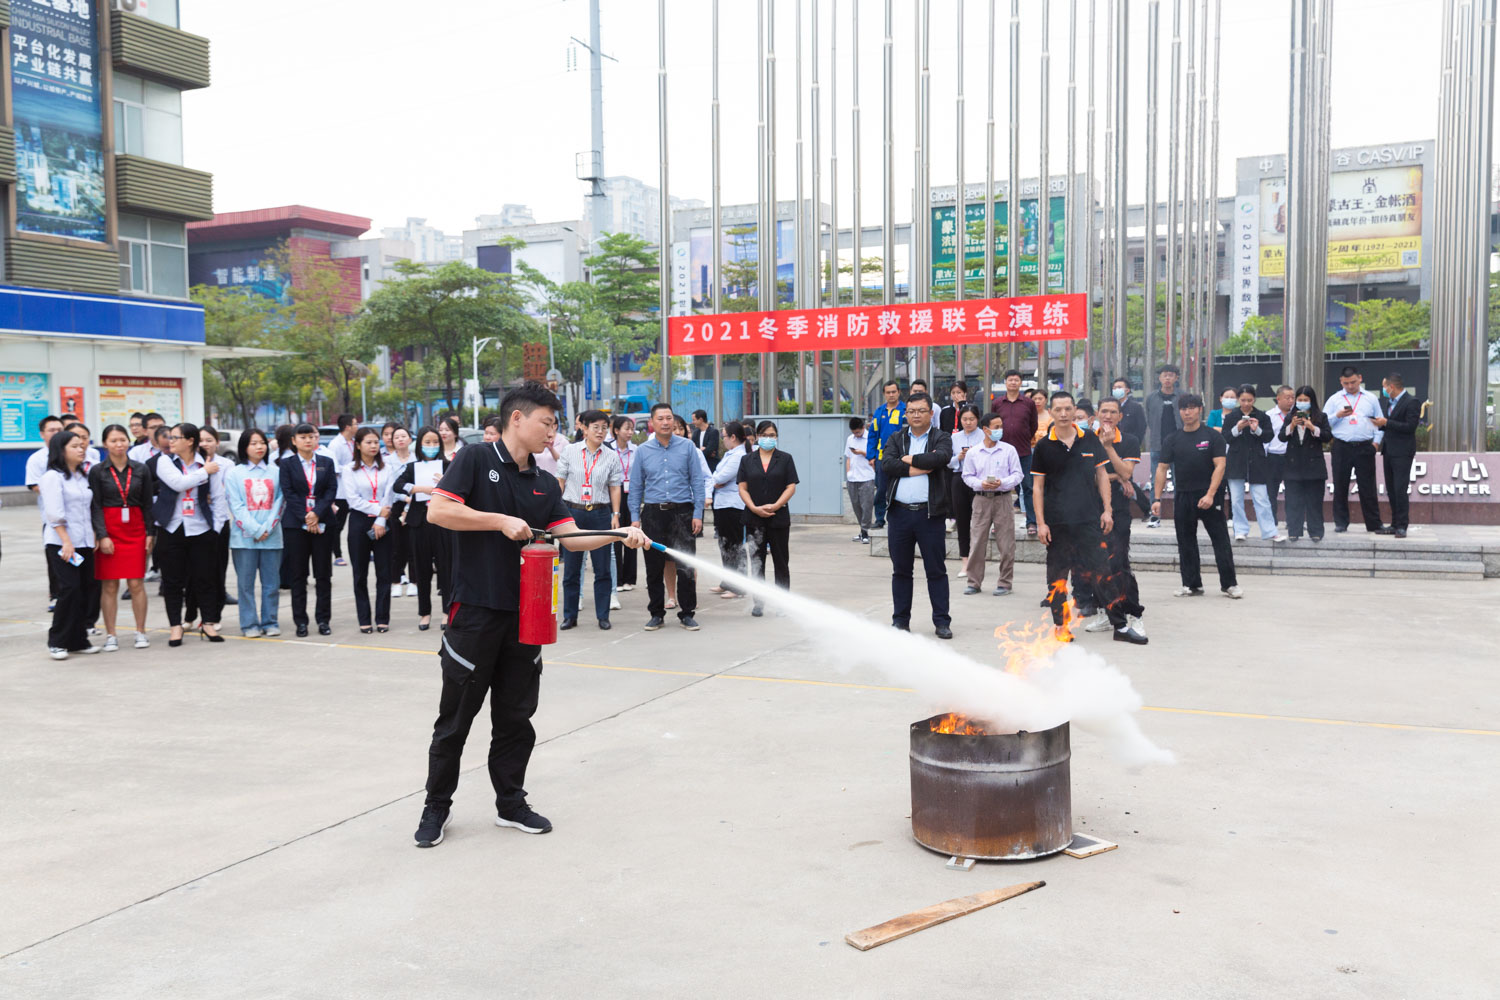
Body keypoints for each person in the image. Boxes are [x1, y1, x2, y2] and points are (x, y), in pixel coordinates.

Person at [414, 382, 652, 848]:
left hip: (526, 617)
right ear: (517, 419)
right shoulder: (476, 460)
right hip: (476, 613)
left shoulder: (543, 482)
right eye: (546, 422)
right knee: (455, 720)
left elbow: (570, 535)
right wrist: (497, 520)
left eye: (556, 424)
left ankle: (511, 803)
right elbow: (439, 511)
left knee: (516, 717)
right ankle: (436, 808)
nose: (552, 432)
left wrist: (618, 532)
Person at [1031, 393, 1147, 644]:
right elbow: (1037, 487)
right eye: (1058, 409)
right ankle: (1061, 627)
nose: (1063, 414)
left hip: (1088, 520)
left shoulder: (1089, 440)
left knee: (1103, 571)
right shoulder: (1043, 446)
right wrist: (1040, 523)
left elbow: (1102, 476)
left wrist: (1107, 509)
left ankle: (1120, 626)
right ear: (1050, 412)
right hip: (1057, 523)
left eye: (1068, 409)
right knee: (1057, 578)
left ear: (1075, 411)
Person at [1150, 396, 1242, 599]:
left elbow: (1220, 466)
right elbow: (1161, 469)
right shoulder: (1172, 439)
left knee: (1220, 540)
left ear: (1200, 410)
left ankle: (1229, 584)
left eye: (1192, 408)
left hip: (1210, 495)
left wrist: (1210, 494)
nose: (1187, 412)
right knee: (1185, 541)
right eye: (1183, 409)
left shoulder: (1213, 436)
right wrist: (1157, 498)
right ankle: (1191, 584)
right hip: (1183, 496)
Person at [881, 393, 954, 639]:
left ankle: (942, 622)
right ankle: (900, 621)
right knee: (901, 571)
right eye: (911, 410)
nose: (916, 415)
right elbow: (888, 464)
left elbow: (941, 457)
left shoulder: (941, 437)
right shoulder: (896, 437)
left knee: (936, 570)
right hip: (900, 514)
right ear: (906, 413)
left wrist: (909, 460)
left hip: (930, 515)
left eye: (921, 410)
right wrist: (922, 466)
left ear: (930, 413)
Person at [628, 403, 704, 631]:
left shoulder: (688, 447)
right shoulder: (643, 451)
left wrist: (698, 513)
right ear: (652, 422)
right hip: (652, 514)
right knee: (653, 567)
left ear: (674, 421)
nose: (665, 422)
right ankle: (656, 613)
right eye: (660, 418)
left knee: (686, 566)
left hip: (682, 513)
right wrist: (634, 518)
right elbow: (635, 487)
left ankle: (687, 613)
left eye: (669, 418)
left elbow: (697, 482)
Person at [153, 422, 227, 644]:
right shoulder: (165, 461)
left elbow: (218, 497)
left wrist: (217, 527)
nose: (170, 441)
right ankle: (176, 626)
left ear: (190, 441)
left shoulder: (206, 463)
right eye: (170, 437)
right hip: (172, 527)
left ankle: (209, 624)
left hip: (201, 527)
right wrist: (204, 471)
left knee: (205, 578)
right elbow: (178, 484)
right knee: (173, 580)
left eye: (175, 437)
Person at [1085, 398, 1148, 639]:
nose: (1108, 416)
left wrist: (1109, 448)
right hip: (1091, 509)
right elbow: (1086, 477)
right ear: (1096, 415)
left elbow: (1127, 472)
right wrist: (1115, 477)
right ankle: (1104, 610)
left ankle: (1134, 615)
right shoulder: (1086, 439)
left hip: (1119, 511)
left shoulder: (1129, 441)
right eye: (1104, 411)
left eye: (1113, 412)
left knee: (1119, 563)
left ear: (1120, 416)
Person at [556, 409, 624, 631]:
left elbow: (615, 487)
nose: (601, 432)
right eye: (595, 427)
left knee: (602, 567)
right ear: (583, 428)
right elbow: (561, 483)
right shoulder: (570, 451)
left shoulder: (611, 455)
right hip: (573, 513)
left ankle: (603, 616)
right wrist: (557, 514)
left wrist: (615, 514)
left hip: (600, 513)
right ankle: (570, 616)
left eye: (604, 428)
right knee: (572, 569)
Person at [89, 424, 154, 651]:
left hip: (136, 529)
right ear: (105, 444)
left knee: (136, 583)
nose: (119, 444)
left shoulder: (141, 469)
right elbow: (95, 505)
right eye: (114, 440)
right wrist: (102, 535)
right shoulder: (98, 471)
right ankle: (111, 634)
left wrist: (150, 533)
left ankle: (140, 631)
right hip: (110, 529)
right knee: (109, 586)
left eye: (122, 440)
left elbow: (148, 503)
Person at [41, 430, 102, 659]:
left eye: (82, 444)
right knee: (69, 590)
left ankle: (78, 640)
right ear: (61, 450)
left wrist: (94, 535)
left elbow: (89, 508)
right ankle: (57, 641)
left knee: (86, 591)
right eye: (75, 446)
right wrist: (66, 542)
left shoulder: (83, 475)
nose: (81, 449)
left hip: (85, 541)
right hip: (62, 543)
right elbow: (54, 514)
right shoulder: (52, 477)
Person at [279, 422, 338, 637]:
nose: (307, 440)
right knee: (298, 575)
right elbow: (289, 493)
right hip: (296, 525)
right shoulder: (286, 465)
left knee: (323, 575)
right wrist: (306, 516)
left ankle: (323, 620)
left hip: (323, 523)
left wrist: (317, 514)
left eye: (311, 436)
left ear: (316, 439)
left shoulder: (326, 462)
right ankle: (300, 622)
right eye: (302, 437)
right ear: (294, 441)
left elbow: (331, 490)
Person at [389, 426, 449, 630]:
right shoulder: (413, 467)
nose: (431, 446)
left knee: (446, 568)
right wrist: (418, 489)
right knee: (421, 568)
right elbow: (397, 485)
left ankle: (446, 612)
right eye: (427, 442)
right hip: (419, 521)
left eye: (435, 442)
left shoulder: (449, 465)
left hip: (443, 522)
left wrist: (446, 484)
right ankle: (424, 613)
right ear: (419, 444)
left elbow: (463, 488)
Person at [738, 420, 799, 618]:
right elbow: (742, 487)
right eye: (764, 435)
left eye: (772, 435)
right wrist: (754, 508)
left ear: (777, 437)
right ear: (756, 437)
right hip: (754, 518)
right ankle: (759, 602)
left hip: (778, 517)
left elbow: (791, 486)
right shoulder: (747, 460)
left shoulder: (785, 459)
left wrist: (777, 505)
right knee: (757, 561)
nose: (768, 439)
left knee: (781, 562)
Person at [225, 429, 283, 637]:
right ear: (244, 447)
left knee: (271, 584)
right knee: (245, 585)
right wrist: (256, 530)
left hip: (272, 537)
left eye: (262, 443)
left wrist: (266, 528)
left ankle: (270, 621)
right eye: (253, 443)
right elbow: (236, 505)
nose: (259, 447)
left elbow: (279, 503)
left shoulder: (275, 472)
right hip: (244, 539)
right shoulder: (234, 474)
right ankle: (249, 624)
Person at [960, 411, 1023, 597]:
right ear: (985, 429)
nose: (1000, 430)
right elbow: (967, 476)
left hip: (1003, 498)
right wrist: (981, 484)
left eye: (1001, 427)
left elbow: (1018, 475)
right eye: (996, 427)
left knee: (1006, 543)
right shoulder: (973, 452)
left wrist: (1002, 483)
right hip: (980, 499)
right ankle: (974, 582)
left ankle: (1005, 583)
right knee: (977, 542)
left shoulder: (1009, 450)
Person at [343, 427, 398, 634]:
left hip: (384, 522)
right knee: (360, 573)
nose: (374, 446)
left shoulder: (386, 467)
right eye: (368, 442)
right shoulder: (349, 469)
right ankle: (364, 619)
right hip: (359, 522)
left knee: (384, 572)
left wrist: (381, 520)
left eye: (376, 442)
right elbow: (353, 499)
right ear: (358, 445)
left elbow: (389, 493)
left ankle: (382, 618)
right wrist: (378, 511)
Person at [1323, 365, 1386, 534]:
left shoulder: (1370, 398)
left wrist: (1375, 444)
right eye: (1346, 383)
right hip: (1342, 446)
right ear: (1340, 382)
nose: (1350, 386)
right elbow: (1323, 423)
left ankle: (1373, 523)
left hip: (1365, 446)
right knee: (1340, 485)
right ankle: (1341, 522)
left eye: (1353, 382)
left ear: (1360, 378)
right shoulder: (1334, 399)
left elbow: (1379, 422)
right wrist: (1337, 415)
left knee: (1368, 487)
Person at [1223, 385, 1282, 542]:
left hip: (1257, 461)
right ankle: (1240, 530)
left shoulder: (1262, 416)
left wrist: (1257, 429)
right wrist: (1238, 428)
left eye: (1249, 400)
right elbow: (1226, 437)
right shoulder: (1231, 417)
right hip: (1236, 461)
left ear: (1254, 399)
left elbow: (1268, 437)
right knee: (1236, 500)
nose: (1246, 403)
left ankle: (1269, 531)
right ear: (1238, 400)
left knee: (1262, 498)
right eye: (1243, 400)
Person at [1279, 386, 1331, 542]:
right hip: (1293, 466)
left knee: (1314, 501)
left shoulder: (1321, 417)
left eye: (1305, 400)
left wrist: (1312, 427)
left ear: (1312, 401)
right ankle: (1294, 531)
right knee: (1293, 501)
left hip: (1314, 467)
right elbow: (1282, 437)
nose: (1302, 403)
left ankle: (1316, 532)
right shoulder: (1290, 417)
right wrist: (1292, 425)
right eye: (1299, 400)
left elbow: (1327, 436)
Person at [26, 414, 66, 612]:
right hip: (51, 520)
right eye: (52, 430)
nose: (57, 433)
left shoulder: (75, 453)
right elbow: (35, 486)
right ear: (42, 434)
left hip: (78, 519)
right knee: (55, 560)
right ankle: (56, 595)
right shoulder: (37, 459)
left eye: (60, 429)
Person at [993, 371, 1040, 536]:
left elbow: (1033, 425)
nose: (1013, 382)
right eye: (1010, 380)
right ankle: (998, 523)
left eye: (1016, 380)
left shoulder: (1028, 403)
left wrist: (1024, 436)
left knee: (1028, 487)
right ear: (1005, 382)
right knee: (999, 487)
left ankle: (1031, 522)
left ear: (1020, 383)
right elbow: (993, 423)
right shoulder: (998, 403)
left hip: (1024, 451)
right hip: (1001, 452)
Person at [1375, 372, 1420, 538]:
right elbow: (1392, 426)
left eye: (1384, 386)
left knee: (1400, 489)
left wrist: (1386, 422)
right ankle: (1394, 524)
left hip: (1402, 452)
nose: (1384, 390)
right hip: (1388, 450)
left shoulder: (1411, 402)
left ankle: (1402, 525)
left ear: (1391, 387)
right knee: (1392, 489)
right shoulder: (1389, 402)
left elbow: (1410, 427)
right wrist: (1379, 424)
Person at [709, 421, 749, 598]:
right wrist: (716, 481)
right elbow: (715, 478)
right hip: (722, 505)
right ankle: (728, 581)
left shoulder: (739, 456)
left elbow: (721, 477)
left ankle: (739, 586)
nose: (723, 440)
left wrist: (716, 481)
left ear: (733, 437)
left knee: (735, 545)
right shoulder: (730, 454)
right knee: (724, 544)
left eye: (724, 436)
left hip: (733, 506)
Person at [947, 405, 985, 562]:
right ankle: (965, 559)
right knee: (962, 520)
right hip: (959, 478)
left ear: (977, 419)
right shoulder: (954, 438)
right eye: (964, 419)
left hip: (978, 480)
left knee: (979, 521)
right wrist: (959, 458)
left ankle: (978, 557)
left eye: (972, 419)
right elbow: (948, 462)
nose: (968, 422)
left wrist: (973, 456)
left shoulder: (984, 436)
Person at [867, 380, 907, 530]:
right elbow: (872, 435)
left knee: (900, 489)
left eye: (893, 392)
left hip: (901, 458)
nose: (891, 395)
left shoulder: (905, 410)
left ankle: (897, 519)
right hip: (881, 458)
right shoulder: (879, 412)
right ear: (884, 394)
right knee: (881, 490)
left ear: (898, 392)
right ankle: (879, 519)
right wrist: (871, 456)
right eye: (888, 392)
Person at [606, 416, 640, 592]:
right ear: (616, 430)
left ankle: (630, 578)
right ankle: (617, 578)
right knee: (617, 536)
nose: (630, 432)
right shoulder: (608, 449)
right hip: (614, 493)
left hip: (631, 494)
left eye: (631, 429)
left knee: (632, 533)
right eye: (626, 428)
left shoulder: (636, 450)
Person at [386, 426, 416, 598]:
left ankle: (414, 582)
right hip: (397, 505)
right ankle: (396, 581)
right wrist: (404, 500)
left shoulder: (417, 459)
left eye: (404, 436)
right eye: (396, 437)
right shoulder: (388, 461)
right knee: (397, 547)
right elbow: (389, 487)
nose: (400, 439)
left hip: (415, 505)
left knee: (413, 547)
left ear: (410, 439)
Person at [328, 415, 359, 566]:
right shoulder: (335, 445)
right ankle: (337, 555)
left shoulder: (353, 442)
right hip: (341, 491)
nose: (357, 426)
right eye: (355, 424)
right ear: (347, 427)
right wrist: (350, 469)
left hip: (354, 489)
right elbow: (334, 468)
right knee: (338, 525)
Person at [1263, 385, 1296, 525]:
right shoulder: (1269, 416)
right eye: (1287, 397)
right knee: (1271, 491)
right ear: (1278, 399)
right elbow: (1265, 439)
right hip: (1273, 457)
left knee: (1293, 492)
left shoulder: (1297, 416)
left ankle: (1293, 521)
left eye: (1293, 397)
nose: (1291, 401)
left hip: (1292, 457)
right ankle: (1272, 522)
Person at [844, 416, 876, 543]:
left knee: (866, 506)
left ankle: (866, 531)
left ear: (863, 427)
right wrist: (848, 473)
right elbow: (848, 457)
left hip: (867, 476)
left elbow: (873, 456)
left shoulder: (870, 438)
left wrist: (861, 453)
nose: (856, 435)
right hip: (853, 478)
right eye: (853, 432)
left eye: (858, 432)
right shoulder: (850, 439)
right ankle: (862, 530)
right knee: (856, 506)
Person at [1142, 365, 1182, 455]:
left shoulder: (1182, 396)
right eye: (1165, 375)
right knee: (1157, 469)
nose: (1167, 378)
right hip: (1157, 444)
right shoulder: (1151, 398)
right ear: (1160, 378)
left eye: (1171, 375)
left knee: (1178, 469)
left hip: (1179, 443)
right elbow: (1149, 419)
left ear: (1176, 378)